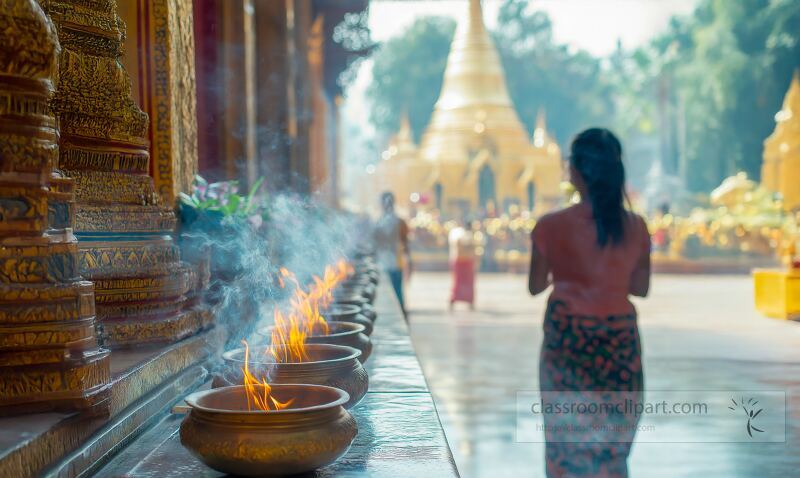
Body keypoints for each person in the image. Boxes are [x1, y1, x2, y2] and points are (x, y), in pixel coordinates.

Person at [528, 128, 651, 478]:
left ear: (575, 172)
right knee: (612, 445)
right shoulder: (635, 226)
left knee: (565, 441)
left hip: (568, 342)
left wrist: (571, 270)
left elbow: (536, 286)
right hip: (620, 345)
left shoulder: (550, 226)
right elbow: (640, 288)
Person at [374, 192, 412, 314]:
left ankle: (399, 314)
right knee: (396, 293)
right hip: (392, 264)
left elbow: (405, 244)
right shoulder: (398, 222)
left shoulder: (380, 223)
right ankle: (401, 314)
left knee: (393, 294)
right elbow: (406, 245)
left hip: (389, 264)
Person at [448, 220, 476, 310]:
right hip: (461, 261)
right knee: (459, 282)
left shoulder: (468, 235)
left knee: (466, 282)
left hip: (465, 261)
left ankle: (468, 300)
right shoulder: (459, 234)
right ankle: (455, 298)